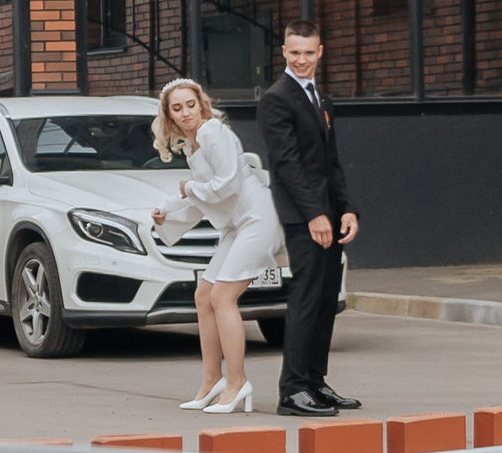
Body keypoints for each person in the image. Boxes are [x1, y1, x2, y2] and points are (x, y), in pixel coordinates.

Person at [149, 77, 285, 416]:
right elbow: (203, 198)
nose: (185, 113)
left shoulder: (213, 133)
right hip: (236, 225)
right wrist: (168, 211)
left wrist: (188, 188)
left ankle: (238, 382)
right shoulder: (192, 146)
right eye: (177, 108)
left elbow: (226, 185)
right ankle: (213, 380)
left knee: (223, 297)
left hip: (256, 218)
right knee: (203, 295)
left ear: (201, 105)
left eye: (190, 105)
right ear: (169, 115)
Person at [258, 22, 360, 418]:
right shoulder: (276, 99)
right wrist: (315, 215)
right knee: (305, 299)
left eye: (309, 52)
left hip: (330, 215)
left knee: (325, 299)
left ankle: (315, 382)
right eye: (295, 52)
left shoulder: (322, 98)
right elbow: (287, 165)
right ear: (284, 52)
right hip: (304, 217)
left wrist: (347, 208)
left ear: (320, 52)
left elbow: (332, 163)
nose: (302, 59)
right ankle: (293, 391)